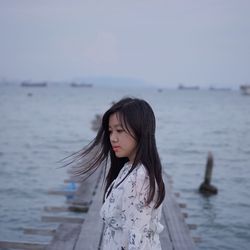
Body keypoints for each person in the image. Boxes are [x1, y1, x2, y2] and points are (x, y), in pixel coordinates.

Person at [68, 97, 165, 250]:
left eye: (119, 130)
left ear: (140, 131)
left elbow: (136, 241)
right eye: (111, 131)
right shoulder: (128, 167)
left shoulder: (139, 178)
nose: (113, 138)